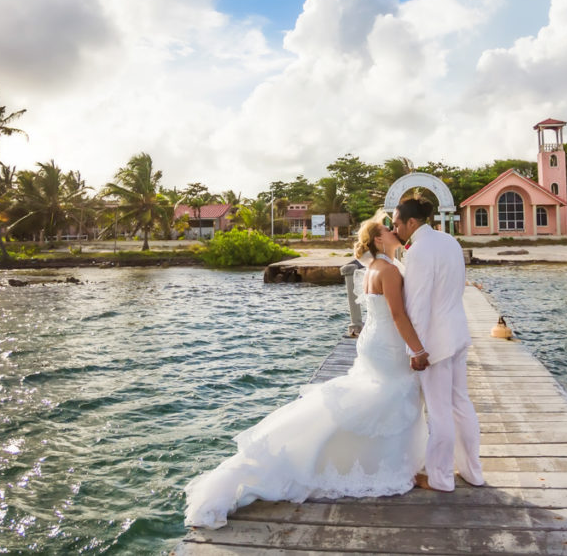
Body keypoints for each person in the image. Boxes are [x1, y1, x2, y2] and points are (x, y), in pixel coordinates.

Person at [183, 212, 429, 529]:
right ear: (379, 239)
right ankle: (385, 466)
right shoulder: (390, 271)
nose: (393, 229)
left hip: (372, 341)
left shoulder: (373, 269)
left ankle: (386, 462)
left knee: (381, 399)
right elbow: (398, 315)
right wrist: (419, 349)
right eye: (387, 227)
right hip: (387, 345)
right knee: (392, 397)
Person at [392, 198, 484, 492]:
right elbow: (457, 287)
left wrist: (415, 349)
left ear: (412, 223)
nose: (394, 228)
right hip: (457, 332)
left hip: (434, 342)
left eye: (397, 223)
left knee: (439, 410)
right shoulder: (450, 241)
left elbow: (417, 306)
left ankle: (440, 478)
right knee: (461, 404)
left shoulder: (419, 250)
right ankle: (473, 472)